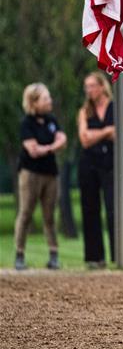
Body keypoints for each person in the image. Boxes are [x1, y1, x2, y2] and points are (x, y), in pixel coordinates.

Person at [14, 83, 67, 270]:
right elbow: (32, 150)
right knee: (26, 213)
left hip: (50, 172)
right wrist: (53, 147)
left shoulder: (51, 120)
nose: (49, 101)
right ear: (34, 102)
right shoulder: (26, 124)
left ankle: (53, 255)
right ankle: (19, 254)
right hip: (31, 173)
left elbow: (63, 140)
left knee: (50, 215)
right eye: (45, 98)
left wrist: (46, 148)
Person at [77, 72, 116, 268]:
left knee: (113, 208)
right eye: (87, 87)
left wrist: (96, 134)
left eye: (92, 85)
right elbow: (84, 139)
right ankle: (94, 257)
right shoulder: (85, 111)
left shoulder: (115, 107)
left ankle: (118, 254)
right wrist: (106, 131)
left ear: (102, 86)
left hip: (111, 164)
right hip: (89, 164)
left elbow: (118, 133)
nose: (89, 90)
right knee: (90, 209)